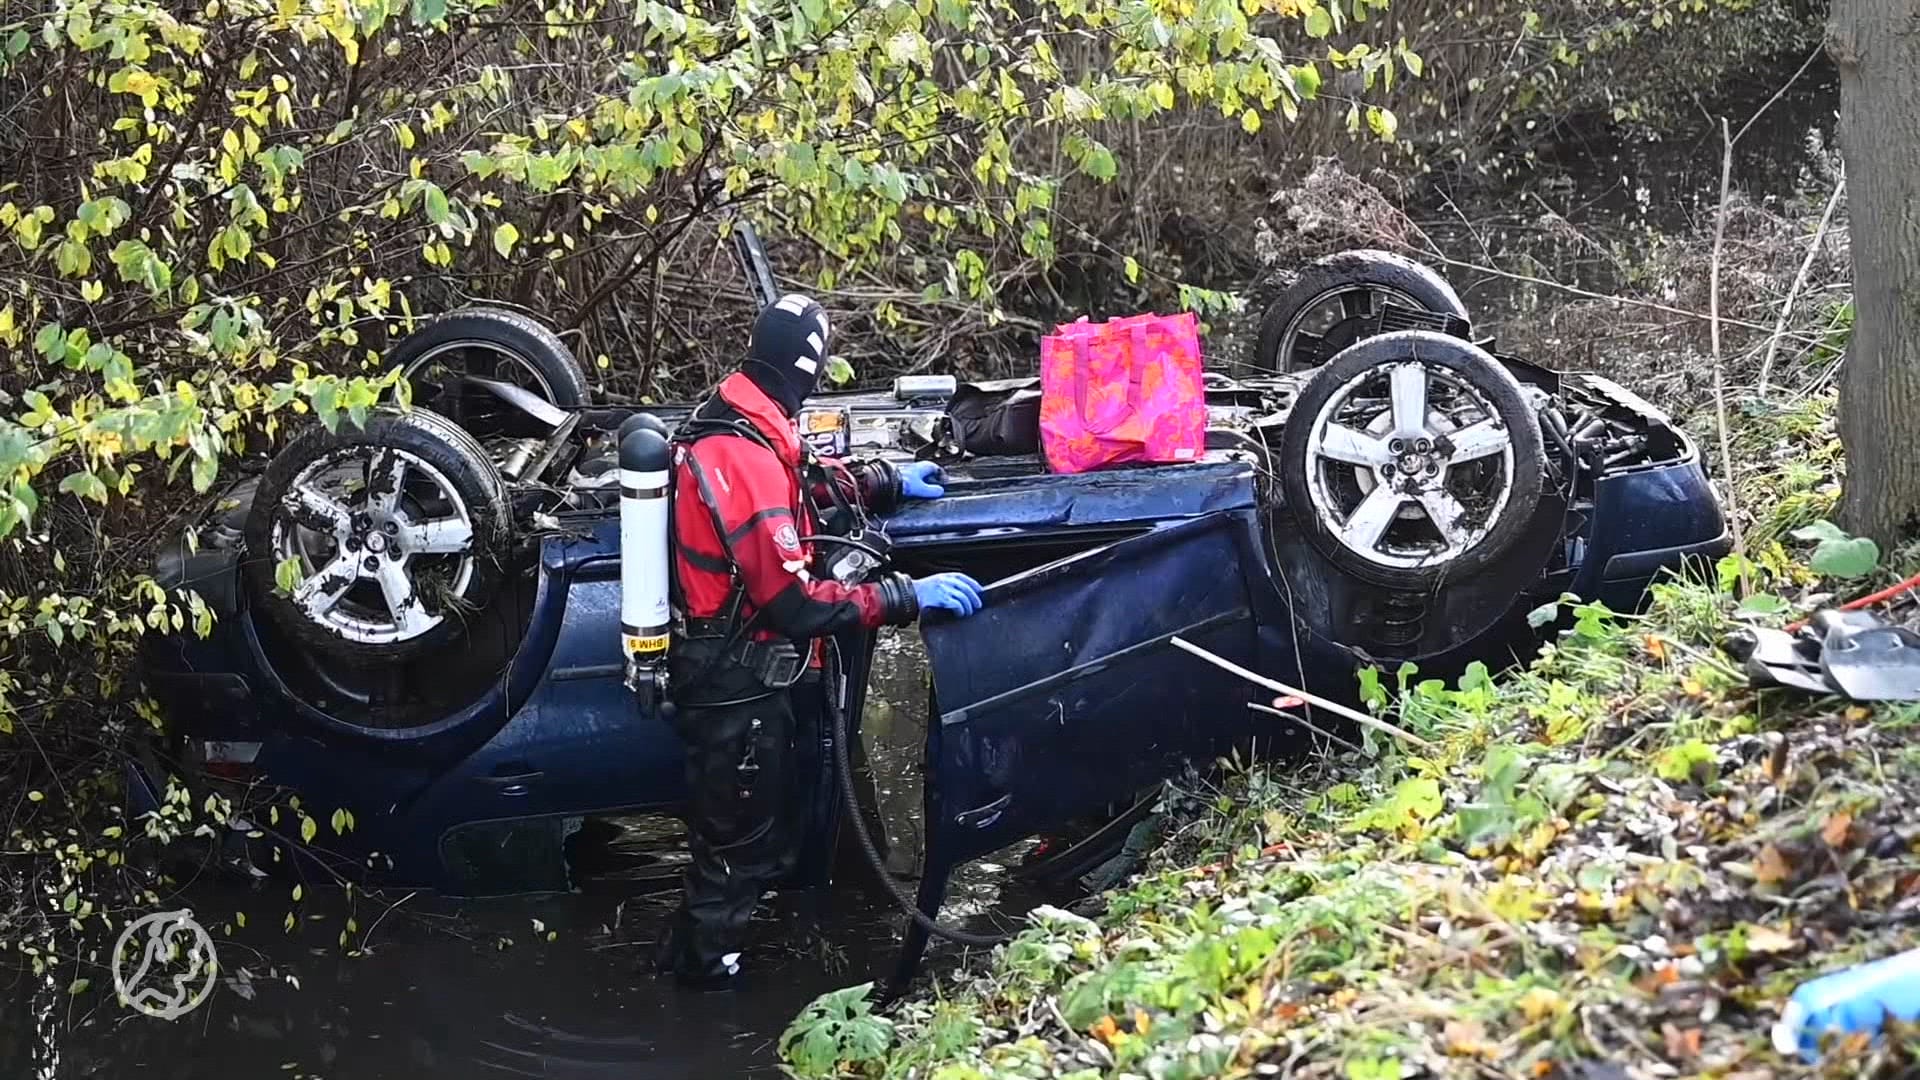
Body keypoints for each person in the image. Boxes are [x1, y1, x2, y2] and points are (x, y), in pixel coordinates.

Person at [654, 292, 985, 989]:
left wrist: (885, 481)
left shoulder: (746, 412)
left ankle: (706, 963)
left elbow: (804, 480)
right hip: (730, 688)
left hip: (745, 679)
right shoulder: (738, 453)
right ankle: (701, 996)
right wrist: (904, 596)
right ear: (805, 365)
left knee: (753, 841)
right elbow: (794, 602)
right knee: (736, 854)